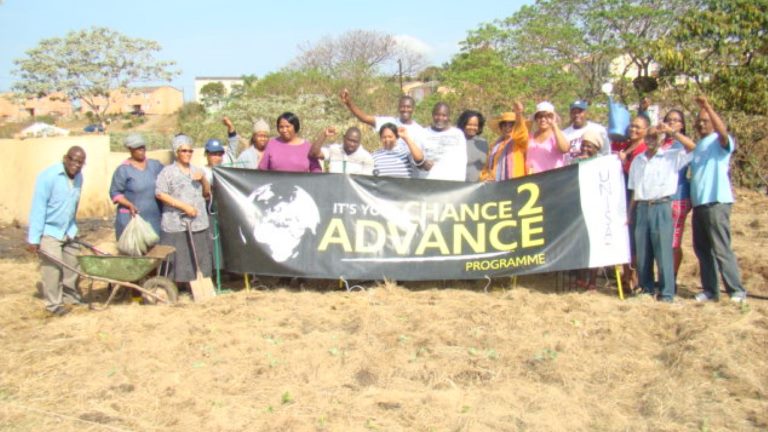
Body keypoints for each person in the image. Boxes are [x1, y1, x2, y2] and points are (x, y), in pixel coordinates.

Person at [688, 95, 747, 303]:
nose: (702, 123)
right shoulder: (699, 146)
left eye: (706, 120)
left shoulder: (719, 142)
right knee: (702, 250)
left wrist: (708, 107)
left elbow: (723, 134)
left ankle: (736, 290)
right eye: (700, 120)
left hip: (716, 202)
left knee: (721, 248)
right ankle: (711, 290)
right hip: (700, 204)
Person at [627, 126, 694, 302]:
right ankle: (646, 289)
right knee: (643, 252)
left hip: (661, 206)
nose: (650, 140)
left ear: (662, 139)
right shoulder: (638, 160)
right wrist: (629, 213)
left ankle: (666, 293)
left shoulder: (671, 156)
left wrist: (672, 131)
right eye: (648, 136)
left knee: (663, 252)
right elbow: (634, 190)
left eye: (655, 136)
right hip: (642, 207)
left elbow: (693, 148)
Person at [27, 146, 87, 316]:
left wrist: (73, 228)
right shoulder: (48, 177)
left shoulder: (79, 178)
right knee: (53, 269)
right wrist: (34, 239)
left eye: (80, 162)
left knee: (72, 263)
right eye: (73, 160)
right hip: (49, 230)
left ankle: (70, 297)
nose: (76, 165)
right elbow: (38, 208)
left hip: (68, 229)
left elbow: (73, 205)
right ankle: (54, 305)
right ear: (65, 158)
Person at [155, 135, 212, 285]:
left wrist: (203, 180)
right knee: (180, 256)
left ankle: (198, 284)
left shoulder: (197, 170)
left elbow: (206, 193)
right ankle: (177, 285)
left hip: (198, 222)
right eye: (183, 151)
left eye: (190, 151)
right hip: (176, 223)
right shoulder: (167, 172)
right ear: (176, 152)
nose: (187, 154)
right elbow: (160, 193)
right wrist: (184, 207)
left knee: (200, 255)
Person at [109, 134, 164, 239]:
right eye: (138, 148)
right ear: (130, 149)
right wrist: (129, 204)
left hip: (153, 217)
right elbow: (115, 192)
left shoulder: (154, 165)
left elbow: (167, 177)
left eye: (143, 147)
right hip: (132, 218)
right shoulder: (123, 170)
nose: (141, 150)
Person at [660, 109, 693, 284]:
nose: (672, 122)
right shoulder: (662, 143)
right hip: (660, 197)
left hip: (678, 196)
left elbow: (693, 148)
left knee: (674, 240)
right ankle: (663, 276)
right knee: (662, 239)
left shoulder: (681, 144)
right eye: (669, 120)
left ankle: (671, 279)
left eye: (676, 120)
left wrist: (674, 134)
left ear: (682, 125)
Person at [339, 88, 426, 149]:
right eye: (402, 106)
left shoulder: (419, 130)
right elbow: (364, 118)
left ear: (413, 108)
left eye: (408, 107)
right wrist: (348, 103)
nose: (405, 109)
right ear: (398, 108)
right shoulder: (389, 122)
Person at [257, 112, 332, 173]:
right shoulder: (271, 144)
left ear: (295, 126)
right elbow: (262, 170)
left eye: (287, 126)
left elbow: (316, 170)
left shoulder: (307, 147)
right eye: (281, 127)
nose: (284, 130)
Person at [417, 103, 467, 181]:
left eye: (444, 115)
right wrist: (422, 164)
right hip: (427, 184)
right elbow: (415, 158)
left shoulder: (458, 134)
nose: (440, 118)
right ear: (432, 115)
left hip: (451, 184)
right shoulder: (422, 133)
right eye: (437, 115)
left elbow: (462, 161)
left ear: (449, 116)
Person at [480, 102, 528, 181]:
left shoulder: (519, 143)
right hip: (497, 186)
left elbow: (521, 134)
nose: (507, 128)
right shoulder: (495, 146)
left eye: (511, 125)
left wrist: (519, 114)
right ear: (501, 128)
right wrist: (485, 177)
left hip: (515, 184)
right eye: (504, 125)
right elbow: (487, 167)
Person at [526, 101, 570, 174]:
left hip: (552, 179)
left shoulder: (557, 135)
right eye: (540, 116)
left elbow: (564, 149)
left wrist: (554, 125)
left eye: (547, 116)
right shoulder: (530, 137)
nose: (543, 119)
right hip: (533, 180)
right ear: (536, 119)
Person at [456, 110, 488, 181]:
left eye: (475, 125)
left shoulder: (483, 143)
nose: (472, 128)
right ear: (463, 124)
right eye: (469, 124)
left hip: (477, 187)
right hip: (457, 186)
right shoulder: (455, 141)